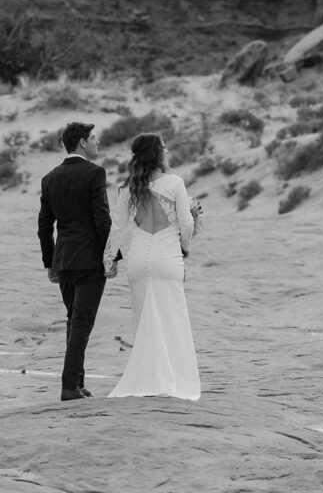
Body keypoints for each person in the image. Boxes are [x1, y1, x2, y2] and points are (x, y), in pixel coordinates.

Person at [103, 133, 201, 400]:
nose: (167, 152)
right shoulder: (175, 183)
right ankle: (173, 381)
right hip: (168, 259)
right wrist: (186, 247)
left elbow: (118, 228)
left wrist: (108, 259)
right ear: (158, 154)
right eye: (165, 149)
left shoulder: (127, 188)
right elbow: (186, 223)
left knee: (145, 321)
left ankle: (149, 379)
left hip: (138, 260)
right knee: (173, 319)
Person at [38, 121, 115, 401]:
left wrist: (50, 263)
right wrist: (112, 255)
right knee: (82, 322)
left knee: (74, 320)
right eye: (93, 138)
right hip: (90, 260)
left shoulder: (50, 178)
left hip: (64, 260)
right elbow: (102, 219)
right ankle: (69, 386)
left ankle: (77, 383)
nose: (97, 142)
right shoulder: (94, 173)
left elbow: (44, 227)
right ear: (82, 142)